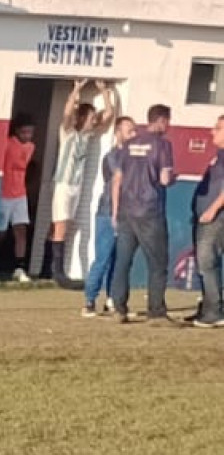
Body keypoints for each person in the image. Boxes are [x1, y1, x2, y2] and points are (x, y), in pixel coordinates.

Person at [43, 82, 114, 288]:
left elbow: (108, 116)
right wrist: (76, 89)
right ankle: (58, 273)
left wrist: (104, 93)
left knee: (59, 225)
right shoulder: (68, 133)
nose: (94, 121)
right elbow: (67, 113)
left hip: (76, 184)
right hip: (63, 183)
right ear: (82, 118)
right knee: (61, 225)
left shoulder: (87, 136)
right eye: (91, 118)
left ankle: (48, 267)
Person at [108, 109, 173, 322]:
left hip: (127, 210)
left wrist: (115, 211)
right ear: (161, 121)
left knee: (123, 261)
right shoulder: (162, 145)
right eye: (168, 121)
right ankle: (156, 311)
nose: (168, 126)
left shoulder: (128, 145)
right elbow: (164, 179)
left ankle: (119, 308)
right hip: (149, 210)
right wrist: (173, 178)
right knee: (157, 262)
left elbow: (118, 178)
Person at [83, 115, 131, 317]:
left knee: (119, 259)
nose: (133, 135)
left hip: (127, 214)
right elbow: (115, 181)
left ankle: (112, 299)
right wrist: (114, 212)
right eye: (129, 131)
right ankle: (89, 300)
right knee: (102, 257)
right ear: (118, 133)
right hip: (107, 213)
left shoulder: (134, 157)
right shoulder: (112, 156)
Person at [186, 115, 224, 328]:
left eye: (218, 128)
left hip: (216, 219)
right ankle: (209, 307)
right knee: (206, 264)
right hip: (204, 218)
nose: (212, 132)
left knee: (207, 263)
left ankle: (214, 312)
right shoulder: (218, 156)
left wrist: (212, 209)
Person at [0, 116, 37, 283]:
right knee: (0, 231)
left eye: (30, 132)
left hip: (20, 193)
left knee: (21, 229)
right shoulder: (7, 144)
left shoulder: (30, 147)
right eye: (24, 132)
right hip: (4, 193)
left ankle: (19, 266)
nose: (28, 135)